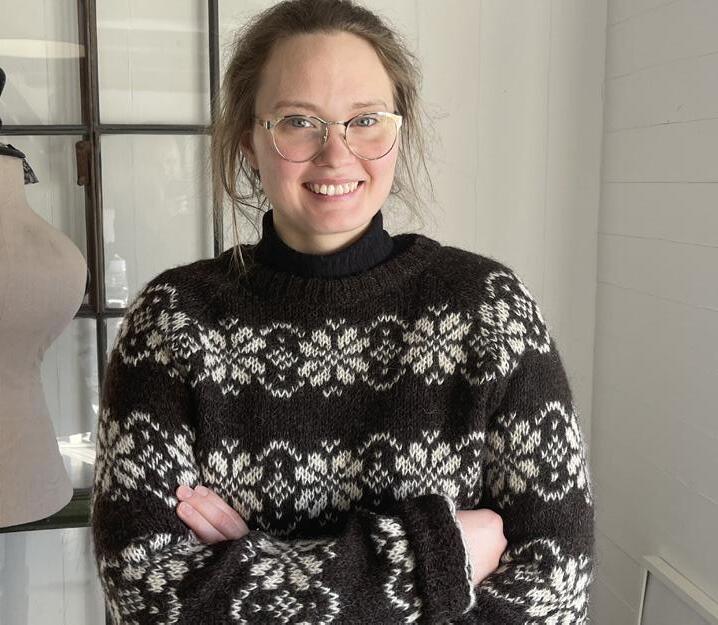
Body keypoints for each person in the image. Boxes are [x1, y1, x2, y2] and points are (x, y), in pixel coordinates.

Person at [90, 0, 595, 623]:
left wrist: (254, 566)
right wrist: (435, 557)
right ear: (250, 141)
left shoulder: (488, 310)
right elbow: (144, 592)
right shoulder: (172, 322)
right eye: (298, 122)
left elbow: (557, 590)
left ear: (397, 132)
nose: (336, 153)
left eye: (366, 120)